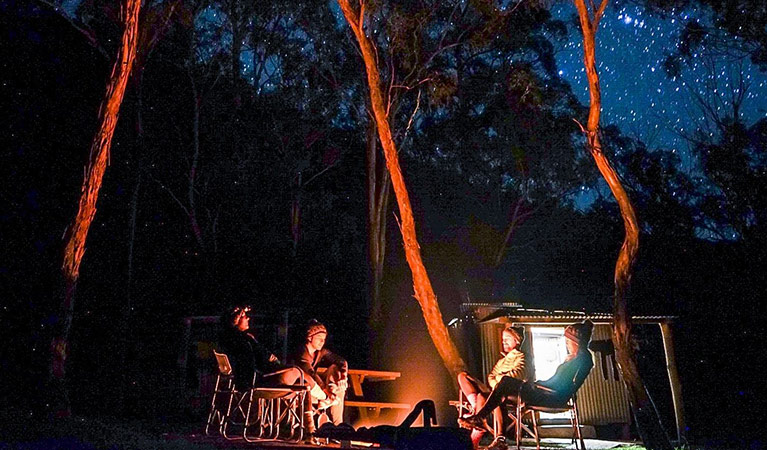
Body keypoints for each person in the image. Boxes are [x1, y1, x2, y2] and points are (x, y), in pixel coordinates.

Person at [458, 320, 594, 435]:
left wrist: (539, 386)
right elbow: (557, 382)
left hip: (551, 397)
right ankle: (493, 431)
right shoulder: (575, 359)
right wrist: (540, 383)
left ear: (576, 342)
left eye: (568, 341)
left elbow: (565, 387)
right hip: (546, 392)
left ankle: (482, 419)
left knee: (504, 384)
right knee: (501, 392)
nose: (567, 345)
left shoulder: (582, 359)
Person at [457, 325, 526, 450]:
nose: (503, 341)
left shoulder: (521, 357)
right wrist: (498, 381)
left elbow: (517, 375)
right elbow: (491, 376)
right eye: (503, 339)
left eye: (507, 338)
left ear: (517, 340)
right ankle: (476, 406)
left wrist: (499, 380)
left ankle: (493, 432)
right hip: (495, 389)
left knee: (486, 396)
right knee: (463, 376)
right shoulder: (502, 360)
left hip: (511, 393)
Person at [217, 305, 306, 389]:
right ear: (236, 321)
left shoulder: (226, 341)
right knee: (298, 371)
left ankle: (316, 397)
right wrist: (275, 361)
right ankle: (319, 395)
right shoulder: (246, 340)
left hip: (239, 381)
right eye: (244, 317)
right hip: (257, 381)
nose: (248, 318)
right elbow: (265, 358)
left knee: (298, 382)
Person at [291, 319, 349, 430]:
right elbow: (310, 373)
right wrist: (325, 390)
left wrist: (343, 376)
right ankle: (332, 412)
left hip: (319, 391)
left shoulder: (320, 352)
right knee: (333, 391)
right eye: (319, 338)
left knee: (334, 369)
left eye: (324, 339)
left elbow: (342, 361)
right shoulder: (302, 352)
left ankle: (337, 424)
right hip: (303, 390)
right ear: (309, 337)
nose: (322, 341)